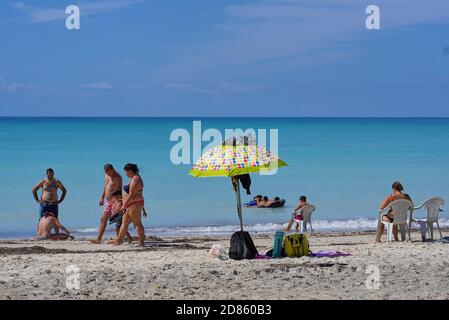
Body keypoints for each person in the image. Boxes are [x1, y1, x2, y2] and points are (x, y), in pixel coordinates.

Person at [109, 164, 146, 247]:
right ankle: (118, 240)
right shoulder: (134, 178)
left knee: (137, 223)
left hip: (134, 204)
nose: (125, 174)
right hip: (130, 204)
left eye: (125, 172)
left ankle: (141, 242)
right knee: (124, 223)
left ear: (130, 171)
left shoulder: (136, 178)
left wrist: (124, 205)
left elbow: (132, 194)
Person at [91, 164, 123, 244]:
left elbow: (119, 191)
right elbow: (105, 187)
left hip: (115, 201)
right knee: (103, 219)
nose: (107, 174)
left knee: (117, 220)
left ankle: (120, 239)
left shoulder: (117, 177)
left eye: (108, 172)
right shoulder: (106, 176)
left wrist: (117, 202)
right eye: (106, 172)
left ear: (112, 170)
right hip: (107, 201)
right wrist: (102, 197)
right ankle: (98, 239)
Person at [32, 168, 67, 233]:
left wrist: (60, 200)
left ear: (53, 173)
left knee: (55, 220)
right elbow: (34, 190)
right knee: (41, 219)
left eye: (52, 174)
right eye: (49, 174)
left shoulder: (56, 181)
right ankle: (39, 234)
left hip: (54, 204)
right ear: (46, 174)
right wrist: (37, 200)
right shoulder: (43, 181)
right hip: (44, 204)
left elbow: (64, 191)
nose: (50, 175)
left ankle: (57, 234)